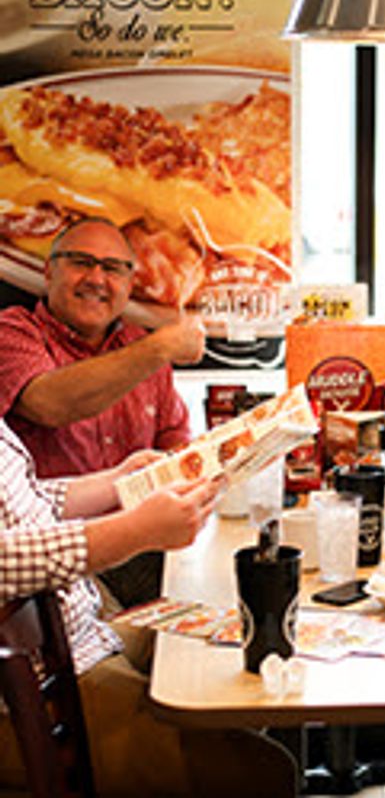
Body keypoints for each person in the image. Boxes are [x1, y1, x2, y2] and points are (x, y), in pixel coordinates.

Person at [0, 418, 298, 797]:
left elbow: (26, 501)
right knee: (263, 771)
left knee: (221, 646)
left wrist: (119, 483)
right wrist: (135, 531)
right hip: (33, 690)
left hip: (80, 637)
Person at [0, 216, 206, 607]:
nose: (96, 278)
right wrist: (159, 347)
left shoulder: (142, 346)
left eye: (112, 269)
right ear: (48, 272)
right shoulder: (12, 332)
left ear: (130, 285)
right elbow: (49, 403)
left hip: (147, 546)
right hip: (56, 559)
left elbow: (175, 442)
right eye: (80, 262)